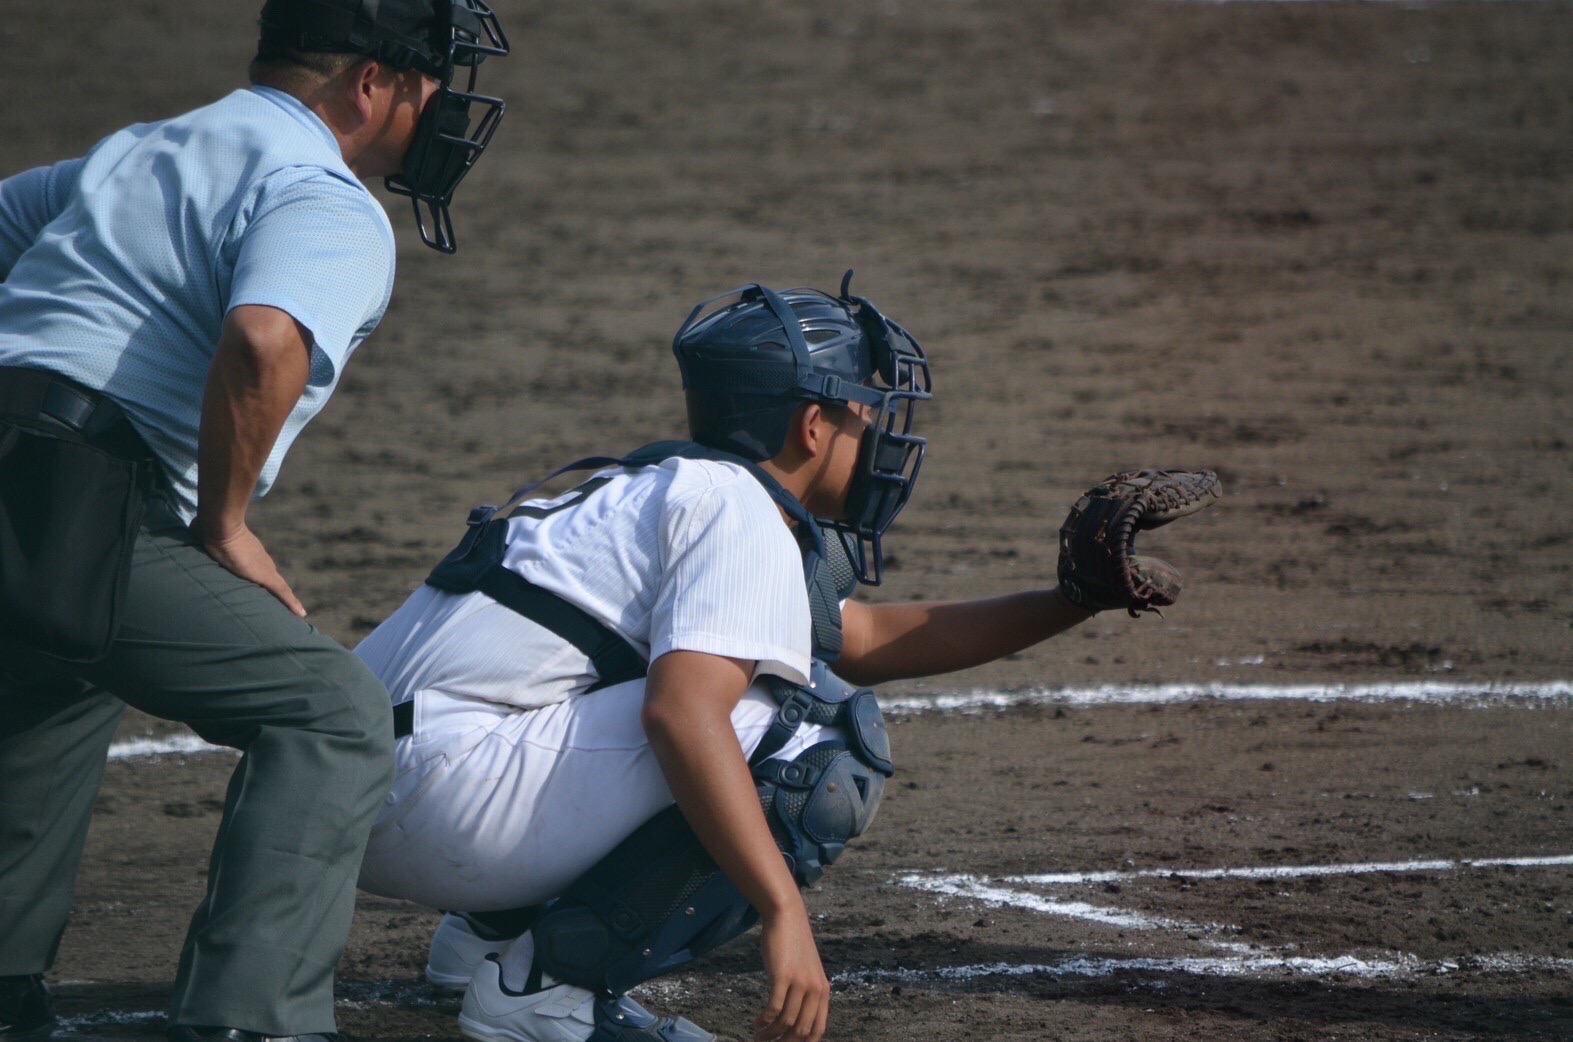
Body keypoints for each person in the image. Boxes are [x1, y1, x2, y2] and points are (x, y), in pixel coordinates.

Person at [351, 274, 1202, 1042]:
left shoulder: (665, 485)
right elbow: (680, 713)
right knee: (811, 730)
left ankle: (491, 941)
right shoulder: (737, 512)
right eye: (863, 412)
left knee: (772, 683)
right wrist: (780, 910)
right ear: (810, 424)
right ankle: (543, 993)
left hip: (359, 800)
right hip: (447, 806)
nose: (878, 431)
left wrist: (1071, 601)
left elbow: (861, 639)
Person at [0, 3, 509, 1041]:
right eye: (427, 86)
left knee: (64, 665)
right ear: (371, 83)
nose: (441, 110)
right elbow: (266, 338)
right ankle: (250, 1020)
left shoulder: (144, 151)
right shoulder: (323, 196)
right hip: (76, 496)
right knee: (328, 710)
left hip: (38, 489)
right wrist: (226, 523)